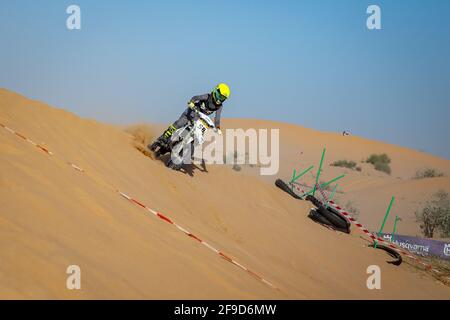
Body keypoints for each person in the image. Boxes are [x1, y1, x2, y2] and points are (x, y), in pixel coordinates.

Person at [149, 83, 230, 150]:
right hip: (190, 113)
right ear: (216, 91)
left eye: (223, 98)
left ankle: (183, 147)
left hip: (199, 119)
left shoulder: (219, 106)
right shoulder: (207, 97)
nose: (220, 99)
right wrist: (191, 103)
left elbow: (217, 117)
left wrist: (218, 128)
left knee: (198, 135)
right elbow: (195, 98)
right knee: (178, 124)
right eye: (220, 96)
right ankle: (161, 139)